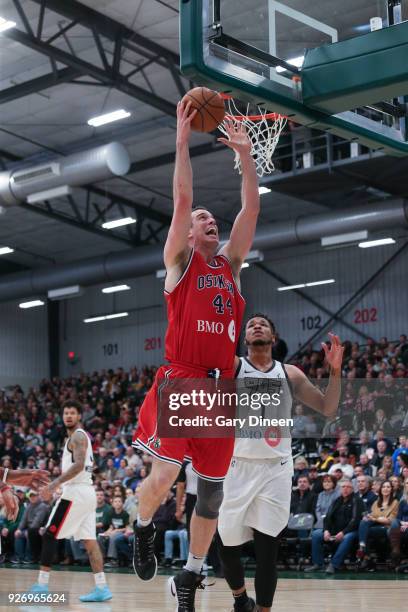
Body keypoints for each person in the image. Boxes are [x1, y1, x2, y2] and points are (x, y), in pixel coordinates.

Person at [131, 100, 260, 611]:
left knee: (211, 496)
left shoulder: (229, 267)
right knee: (163, 478)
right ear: (186, 233)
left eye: (211, 218)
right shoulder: (180, 263)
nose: (209, 220)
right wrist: (182, 143)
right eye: (201, 218)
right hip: (181, 381)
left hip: (221, 391)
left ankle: (188, 575)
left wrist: (247, 158)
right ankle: (143, 527)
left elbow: (250, 210)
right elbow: (183, 197)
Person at [217, 314, 344, 611]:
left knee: (267, 552)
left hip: (275, 469)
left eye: (263, 324)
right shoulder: (233, 367)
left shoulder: (290, 373)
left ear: (274, 338)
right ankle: (239, 599)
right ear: (244, 339)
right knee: (226, 545)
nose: (256, 325)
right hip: (236, 466)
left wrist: (335, 371)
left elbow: (328, 407)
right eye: (251, 325)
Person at [29, 400, 112, 602]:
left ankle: (41, 585)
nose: (68, 416)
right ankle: (102, 588)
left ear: (79, 416)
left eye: (72, 413)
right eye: (65, 412)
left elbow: (79, 465)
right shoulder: (79, 438)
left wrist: (52, 485)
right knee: (90, 542)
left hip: (75, 493)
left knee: (49, 534)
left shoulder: (77, 435)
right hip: (87, 493)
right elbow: (88, 466)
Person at [307, 479, 365, 574]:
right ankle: (318, 564)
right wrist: (326, 530)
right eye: (343, 487)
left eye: (348, 487)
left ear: (353, 489)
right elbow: (327, 518)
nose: (345, 489)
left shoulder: (357, 500)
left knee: (347, 537)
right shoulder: (337, 500)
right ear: (340, 489)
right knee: (316, 534)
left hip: (351, 531)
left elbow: (355, 520)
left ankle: (334, 564)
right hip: (334, 530)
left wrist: (343, 532)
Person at [356, 480, 399, 569]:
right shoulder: (376, 502)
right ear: (380, 489)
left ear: (391, 489)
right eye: (383, 487)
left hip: (387, 528)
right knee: (364, 521)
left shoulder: (395, 502)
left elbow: (389, 520)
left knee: (365, 530)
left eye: (388, 487)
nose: (385, 489)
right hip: (376, 526)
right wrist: (368, 517)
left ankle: (366, 556)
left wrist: (375, 518)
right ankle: (362, 547)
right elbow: (372, 515)